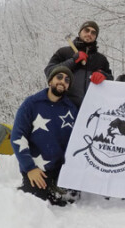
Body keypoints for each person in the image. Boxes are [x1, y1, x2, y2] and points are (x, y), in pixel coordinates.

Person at [11, 66, 78, 206]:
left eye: (67, 80)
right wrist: (29, 168)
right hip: (37, 168)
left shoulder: (71, 109)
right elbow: (18, 137)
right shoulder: (31, 104)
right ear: (50, 81)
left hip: (60, 169)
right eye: (59, 77)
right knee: (34, 203)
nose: (62, 81)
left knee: (69, 201)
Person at [44, 21, 113, 108]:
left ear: (96, 37)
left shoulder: (101, 59)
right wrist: (73, 61)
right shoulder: (64, 52)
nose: (89, 34)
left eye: (93, 32)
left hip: (90, 109)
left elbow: (111, 80)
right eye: (86, 30)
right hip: (64, 107)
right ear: (80, 32)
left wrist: (104, 76)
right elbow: (49, 71)